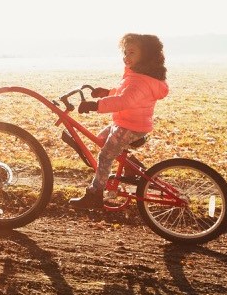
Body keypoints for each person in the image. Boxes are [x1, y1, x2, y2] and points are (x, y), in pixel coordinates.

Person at [69, 33, 170, 209]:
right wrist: (107, 92)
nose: (126, 57)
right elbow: (124, 93)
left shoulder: (140, 81)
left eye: (131, 52)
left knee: (106, 155)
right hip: (129, 123)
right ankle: (131, 168)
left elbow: (124, 101)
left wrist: (96, 105)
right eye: (125, 52)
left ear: (145, 56)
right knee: (101, 139)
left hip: (131, 126)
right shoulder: (138, 76)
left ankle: (95, 194)